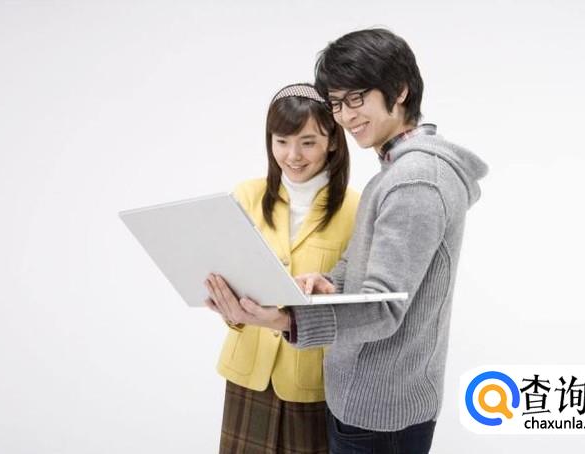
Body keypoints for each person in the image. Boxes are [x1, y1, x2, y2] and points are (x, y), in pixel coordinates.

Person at [205, 29, 489, 453]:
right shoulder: (394, 174)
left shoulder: (414, 181)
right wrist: (327, 282)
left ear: (400, 90)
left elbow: (383, 306)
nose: (345, 115)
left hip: (379, 411)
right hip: (367, 403)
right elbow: (360, 270)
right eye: (337, 103)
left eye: (356, 98)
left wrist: (285, 320)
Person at [204, 83, 359, 454]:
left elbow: (354, 304)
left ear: (332, 142)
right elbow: (232, 279)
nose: (293, 156)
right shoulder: (247, 196)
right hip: (248, 372)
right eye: (281, 141)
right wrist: (230, 311)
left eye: (308, 142)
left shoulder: (356, 208)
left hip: (311, 382)